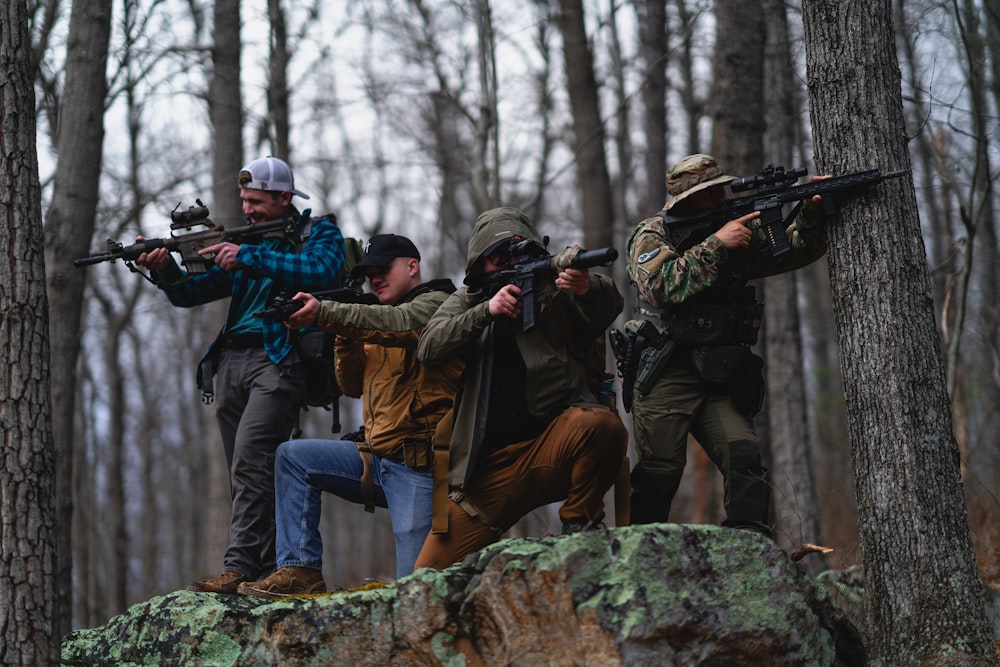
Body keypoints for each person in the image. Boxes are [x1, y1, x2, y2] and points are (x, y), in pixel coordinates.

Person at [136, 156, 346, 593]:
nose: (247, 209)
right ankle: (268, 569)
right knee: (244, 469)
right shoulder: (246, 241)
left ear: (284, 198)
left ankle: (238, 567)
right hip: (230, 361)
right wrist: (165, 272)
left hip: (278, 358)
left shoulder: (315, 231)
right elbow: (193, 293)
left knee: (252, 457)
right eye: (244, 200)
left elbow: (324, 270)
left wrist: (248, 255)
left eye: (256, 201)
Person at [236, 234, 464, 598]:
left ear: (412, 266)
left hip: (422, 468)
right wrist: (345, 337)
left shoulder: (439, 304)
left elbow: (402, 323)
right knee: (293, 457)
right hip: (378, 458)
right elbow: (352, 384)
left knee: (416, 589)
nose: (375, 279)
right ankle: (299, 570)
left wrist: (328, 313)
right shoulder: (375, 318)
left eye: (383, 269)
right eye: (369, 273)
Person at [412, 207, 628, 571]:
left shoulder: (556, 290)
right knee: (426, 577)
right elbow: (429, 347)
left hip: (551, 450)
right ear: (479, 266)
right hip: (486, 472)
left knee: (600, 425)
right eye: (494, 259)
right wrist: (487, 311)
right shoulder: (469, 300)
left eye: (511, 255)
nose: (502, 265)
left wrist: (585, 285)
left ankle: (581, 524)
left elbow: (608, 304)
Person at [624, 153, 830, 535]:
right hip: (665, 370)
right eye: (710, 195)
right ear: (686, 201)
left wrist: (812, 212)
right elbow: (661, 285)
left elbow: (791, 250)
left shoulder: (732, 230)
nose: (721, 200)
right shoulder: (653, 234)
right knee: (659, 471)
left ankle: (750, 544)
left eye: (721, 191)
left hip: (719, 372)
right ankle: (639, 554)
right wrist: (717, 244)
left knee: (743, 454)